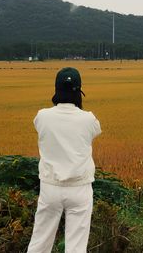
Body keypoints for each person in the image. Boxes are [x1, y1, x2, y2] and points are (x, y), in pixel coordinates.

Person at [27, 67, 102, 253]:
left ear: (56, 90)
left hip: (50, 187)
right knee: (76, 247)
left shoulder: (42, 116)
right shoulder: (88, 119)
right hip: (79, 188)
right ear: (79, 92)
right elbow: (95, 131)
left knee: (40, 241)